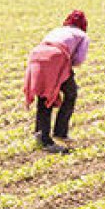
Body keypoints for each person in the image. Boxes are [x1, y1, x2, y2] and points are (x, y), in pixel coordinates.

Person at [24, 10, 89, 154]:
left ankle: (41, 136)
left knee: (44, 95)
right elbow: (79, 60)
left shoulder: (58, 30)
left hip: (36, 55)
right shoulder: (82, 35)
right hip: (56, 57)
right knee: (70, 93)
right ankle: (59, 132)